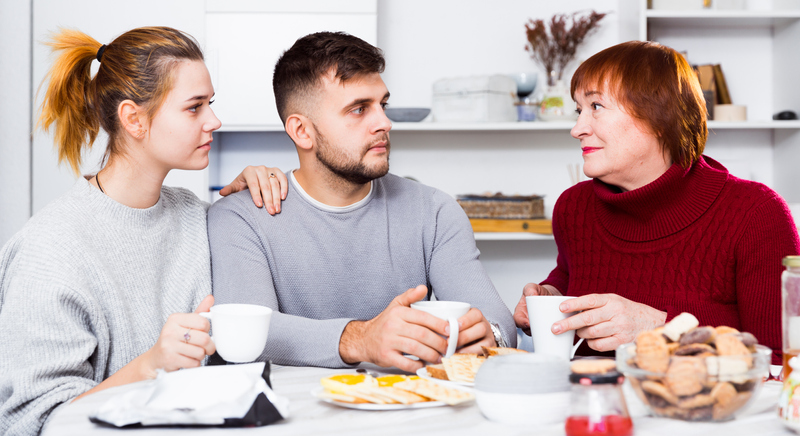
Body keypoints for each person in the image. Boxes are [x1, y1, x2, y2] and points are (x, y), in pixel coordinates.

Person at [0, 26, 287, 435]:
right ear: (134, 118)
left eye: (211, 103)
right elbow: (30, 424)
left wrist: (248, 199)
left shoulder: (194, 216)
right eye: (194, 107)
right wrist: (150, 366)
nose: (214, 120)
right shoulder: (49, 249)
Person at [207, 31, 516, 372]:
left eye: (382, 104)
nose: (384, 123)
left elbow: (497, 321)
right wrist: (360, 339)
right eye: (358, 109)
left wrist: (492, 339)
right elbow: (248, 331)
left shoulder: (435, 211)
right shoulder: (240, 217)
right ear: (302, 131)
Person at [513, 40, 800, 364]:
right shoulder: (573, 207)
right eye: (579, 110)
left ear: (658, 116)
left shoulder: (757, 214)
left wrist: (661, 329)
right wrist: (552, 297)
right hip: (594, 410)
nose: (577, 128)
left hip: (698, 413)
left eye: (596, 107)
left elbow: (782, 363)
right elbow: (572, 278)